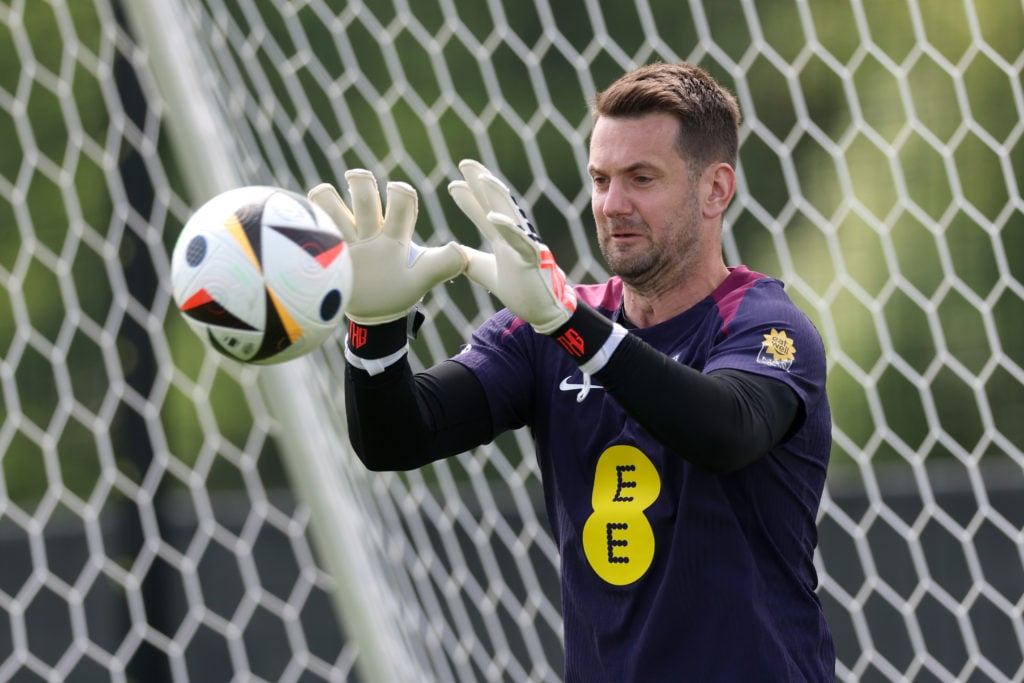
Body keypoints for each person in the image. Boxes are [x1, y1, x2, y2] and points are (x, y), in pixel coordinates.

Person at [309, 61, 835, 681]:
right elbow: (395, 439)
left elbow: (725, 431)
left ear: (716, 189)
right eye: (600, 179)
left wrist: (566, 323)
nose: (613, 204)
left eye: (642, 178)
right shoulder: (546, 326)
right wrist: (377, 326)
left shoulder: (767, 327)